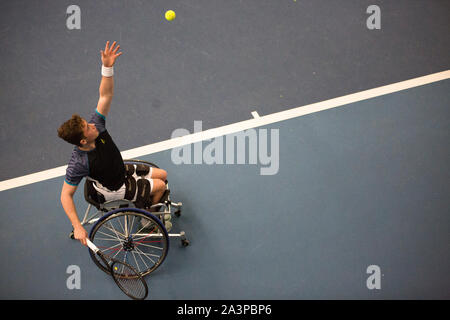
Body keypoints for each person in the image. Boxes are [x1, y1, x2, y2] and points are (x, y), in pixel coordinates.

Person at [58, 41, 168, 246]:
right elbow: (65, 195)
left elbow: (105, 95)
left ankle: (145, 205)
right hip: (112, 188)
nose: (92, 124)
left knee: (163, 174)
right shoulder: (79, 163)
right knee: (160, 186)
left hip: (121, 170)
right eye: (87, 127)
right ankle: (147, 224)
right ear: (83, 140)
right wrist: (77, 225)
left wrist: (107, 67)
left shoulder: (96, 126)